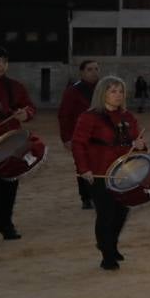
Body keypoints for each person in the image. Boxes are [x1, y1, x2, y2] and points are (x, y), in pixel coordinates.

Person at [73, 76, 147, 270]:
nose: (118, 95)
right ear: (102, 93)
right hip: (100, 173)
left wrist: (140, 145)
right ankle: (107, 255)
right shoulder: (89, 117)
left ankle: (111, 245)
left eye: (121, 91)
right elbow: (78, 145)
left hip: (125, 174)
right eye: (113, 91)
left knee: (121, 213)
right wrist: (83, 169)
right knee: (106, 214)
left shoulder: (128, 117)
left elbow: (137, 143)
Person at [0, 46, 35, 248]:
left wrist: (25, 114)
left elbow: (30, 108)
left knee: (9, 189)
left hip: (11, 147)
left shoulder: (16, 86)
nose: (1, 66)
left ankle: (6, 226)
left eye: (4, 61)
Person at [59, 59, 101, 209]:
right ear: (82, 72)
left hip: (101, 135)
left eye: (96, 69)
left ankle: (99, 196)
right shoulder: (73, 91)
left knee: (101, 165)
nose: (94, 72)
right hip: (81, 136)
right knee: (82, 166)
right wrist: (66, 138)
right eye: (90, 69)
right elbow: (64, 115)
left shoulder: (104, 89)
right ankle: (86, 197)